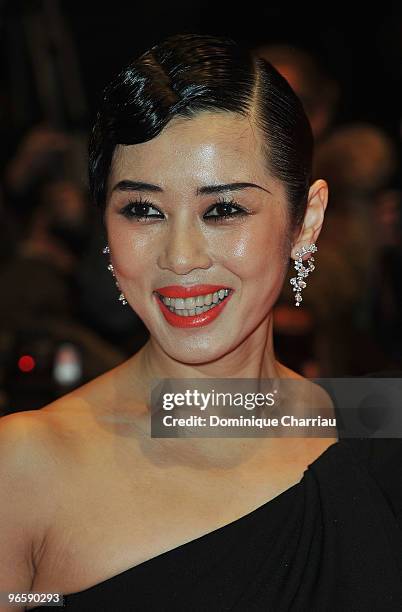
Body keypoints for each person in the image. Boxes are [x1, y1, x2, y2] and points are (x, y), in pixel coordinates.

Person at [0, 34, 401, 612]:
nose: (180, 256)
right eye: (142, 209)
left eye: (224, 209)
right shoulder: (27, 467)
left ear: (306, 221)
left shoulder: (378, 431)